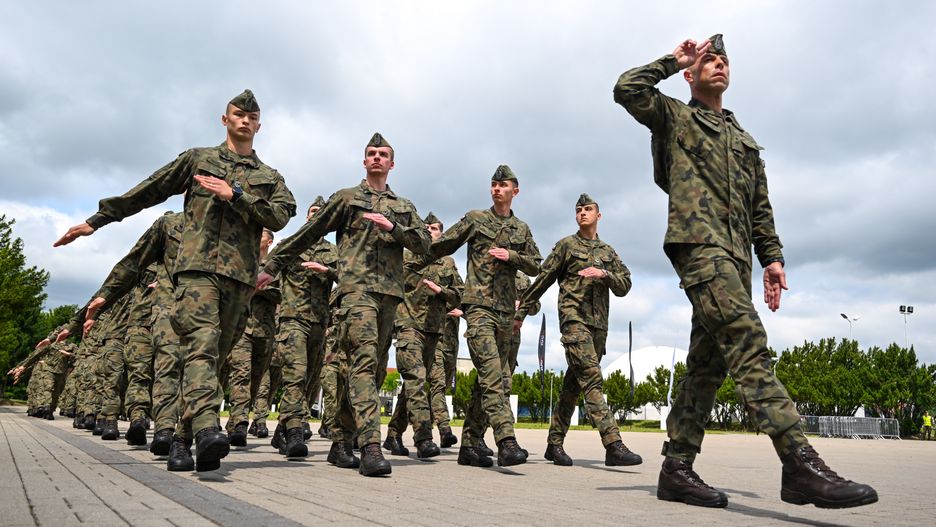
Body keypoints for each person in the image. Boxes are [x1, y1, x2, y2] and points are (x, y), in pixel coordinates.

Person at [613, 35, 877, 508]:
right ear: (692, 74)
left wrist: (771, 258)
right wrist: (674, 61)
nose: (716, 65)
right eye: (707, 60)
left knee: (706, 368)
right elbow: (626, 89)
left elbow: (761, 208)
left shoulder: (745, 141)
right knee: (748, 342)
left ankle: (676, 470)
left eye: (722, 60)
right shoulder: (674, 116)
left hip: (736, 261)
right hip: (699, 249)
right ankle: (799, 463)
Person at [54, 89, 296, 472]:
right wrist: (97, 220)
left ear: (260, 126)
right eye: (238, 115)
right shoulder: (199, 159)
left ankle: (182, 441)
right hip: (196, 271)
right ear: (225, 120)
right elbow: (149, 190)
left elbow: (282, 216)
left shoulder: (269, 177)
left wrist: (236, 195)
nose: (245, 121)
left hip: (239, 278)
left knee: (214, 359)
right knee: (201, 346)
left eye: (252, 117)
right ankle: (205, 427)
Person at [258, 133, 431, 476]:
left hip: (390, 296)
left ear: (392, 164)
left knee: (372, 370)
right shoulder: (348, 198)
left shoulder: (404, 207)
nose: (377, 158)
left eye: (383, 154)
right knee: (365, 363)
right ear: (364, 161)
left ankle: (340, 442)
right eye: (371, 154)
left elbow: (425, 244)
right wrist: (272, 265)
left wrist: (395, 228)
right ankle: (369, 446)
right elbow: (309, 233)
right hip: (356, 293)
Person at [414, 165, 541, 468]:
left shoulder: (521, 229)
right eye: (494, 184)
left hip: (506, 313)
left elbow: (536, 264)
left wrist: (511, 256)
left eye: (503, 185)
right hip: (479, 309)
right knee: (493, 375)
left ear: (515, 191)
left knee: (491, 379)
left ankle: (470, 443)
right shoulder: (476, 219)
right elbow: (442, 245)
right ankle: (506, 441)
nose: (497, 189)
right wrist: (404, 248)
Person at [519, 193, 641, 467]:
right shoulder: (566, 245)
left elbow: (625, 285)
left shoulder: (607, 252)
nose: (583, 213)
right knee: (592, 379)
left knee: (572, 387)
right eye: (579, 210)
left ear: (599, 215)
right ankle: (613, 444)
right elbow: (543, 279)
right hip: (574, 322)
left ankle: (554, 444)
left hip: (599, 328)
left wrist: (605, 274)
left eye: (588, 209)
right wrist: (521, 312)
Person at [384, 212, 463, 458]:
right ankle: (424, 437)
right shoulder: (405, 256)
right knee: (416, 380)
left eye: (434, 228)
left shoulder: (448, 263)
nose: (429, 231)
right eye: (425, 228)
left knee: (413, 387)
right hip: (408, 325)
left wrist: (442, 291)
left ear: (441, 234)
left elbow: (460, 295)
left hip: (434, 329)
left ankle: (394, 434)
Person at [267, 197, 337, 456]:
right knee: (294, 376)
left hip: (319, 323)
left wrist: (327, 270)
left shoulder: (333, 252)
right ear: (307, 217)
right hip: (293, 320)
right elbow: (267, 273)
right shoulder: (289, 246)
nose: (316, 215)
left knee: (308, 382)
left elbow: (350, 278)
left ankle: (281, 431)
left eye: (322, 213)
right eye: (313, 212)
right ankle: (295, 433)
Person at [224, 229, 280, 449]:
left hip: (265, 331)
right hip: (240, 327)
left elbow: (284, 294)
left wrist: (259, 287)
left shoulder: (276, 267)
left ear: (269, 241)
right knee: (240, 374)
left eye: (262, 235)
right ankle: (239, 424)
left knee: (256, 381)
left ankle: (237, 418)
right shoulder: (240, 260)